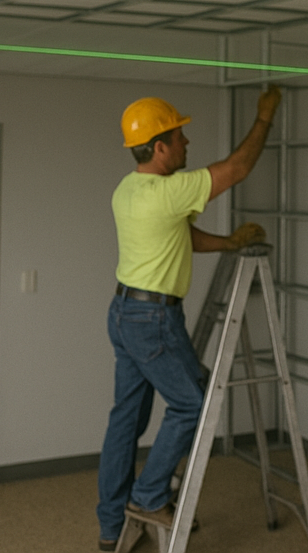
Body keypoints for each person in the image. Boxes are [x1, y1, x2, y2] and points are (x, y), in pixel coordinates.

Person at [96, 86, 282, 552]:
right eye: (179, 137)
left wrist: (229, 242)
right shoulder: (169, 191)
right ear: (159, 148)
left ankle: (111, 527)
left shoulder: (128, 189)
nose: (186, 143)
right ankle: (149, 497)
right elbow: (237, 168)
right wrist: (264, 117)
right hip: (152, 320)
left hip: (123, 313)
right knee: (194, 403)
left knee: (125, 421)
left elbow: (179, 236)